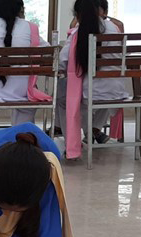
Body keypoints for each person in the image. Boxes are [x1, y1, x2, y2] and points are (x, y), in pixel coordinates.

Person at [56, 0, 130, 159]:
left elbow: (62, 61)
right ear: (100, 11)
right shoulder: (115, 28)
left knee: (63, 98)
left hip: (91, 93)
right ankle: (94, 131)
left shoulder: (78, 32)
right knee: (102, 94)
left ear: (78, 15)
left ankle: (73, 143)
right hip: (117, 91)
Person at [0, 0, 51, 131]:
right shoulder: (31, 27)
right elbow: (48, 52)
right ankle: (22, 136)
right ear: (20, 9)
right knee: (26, 104)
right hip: (21, 92)